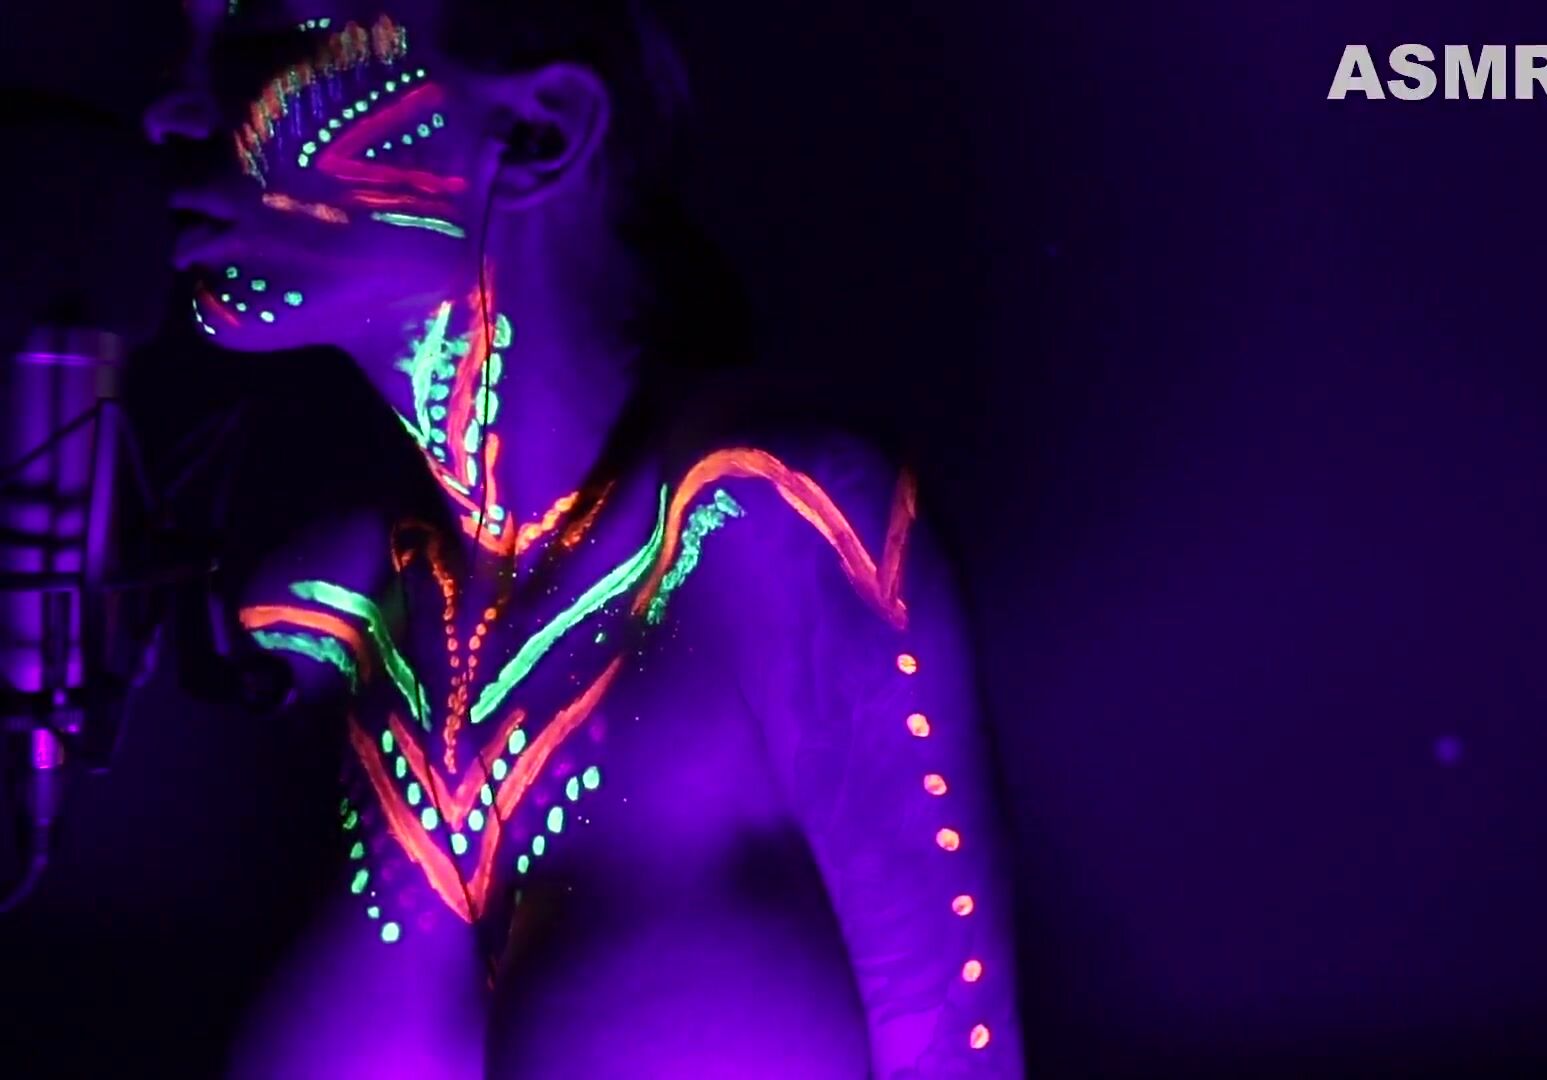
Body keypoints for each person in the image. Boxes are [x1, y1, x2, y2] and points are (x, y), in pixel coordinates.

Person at [143, 2, 1022, 1076]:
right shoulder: (336, 607)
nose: (169, 112)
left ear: (541, 129)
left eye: (270, 37)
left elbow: (961, 1048)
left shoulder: (772, 520)